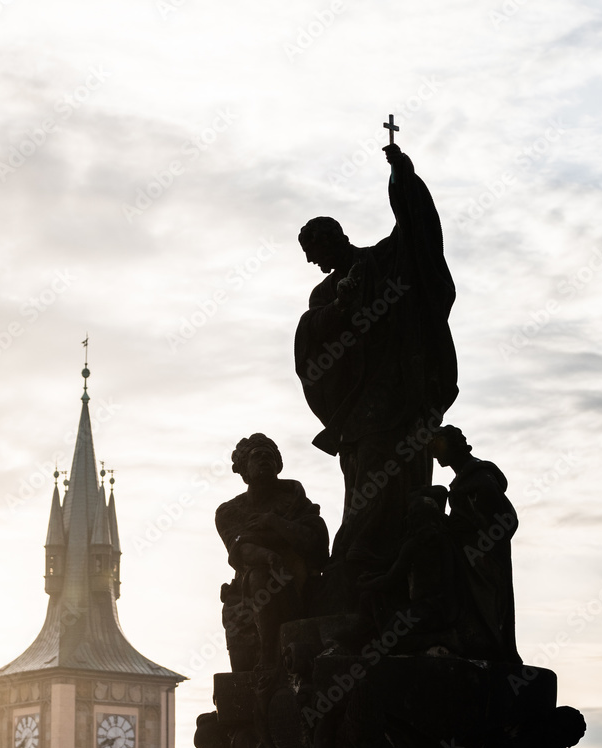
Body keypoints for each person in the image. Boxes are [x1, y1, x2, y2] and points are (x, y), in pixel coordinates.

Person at [296, 144, 457, 602]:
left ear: (335, 238)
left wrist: (401, 179)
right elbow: (312, 336)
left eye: (316, 249)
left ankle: (381, 561)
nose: (314, 261)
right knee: (366, 475)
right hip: (359, 403)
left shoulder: (380, 262)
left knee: (405, 473)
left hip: (400, 389)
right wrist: (341, 308)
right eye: (309, 255)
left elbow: (415, 234)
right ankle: (362, 557)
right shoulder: (325, 292)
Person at [216, 433, 329, 670]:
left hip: (298, 584)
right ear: (244, 469)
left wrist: (273, 522)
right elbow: (241, 550)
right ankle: (267, 657)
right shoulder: (230, 511)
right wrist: (271, 555)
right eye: (257, 456)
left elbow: (315, 542)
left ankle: (270, 660)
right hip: (254, 588)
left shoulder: (297, 500)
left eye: (270, 456)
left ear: (279, 465)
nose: (265, 459)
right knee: (259, 575)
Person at [430, 425, 520, 662]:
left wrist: (478, 541)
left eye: (438, 447)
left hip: (483, 559)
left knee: (486, 608)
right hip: (471, 553)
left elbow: (507, 520)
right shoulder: (463, 479)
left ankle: (484, 644)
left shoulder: (479, 478)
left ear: (454, 446)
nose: (435, 455)